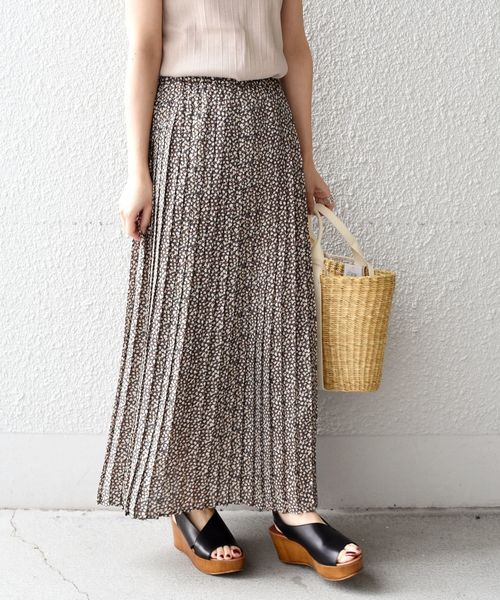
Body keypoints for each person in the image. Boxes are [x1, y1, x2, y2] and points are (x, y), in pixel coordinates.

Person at [96, 0, 363, 580]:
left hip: (270, 125)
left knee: (280, 316)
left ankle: (293, 506)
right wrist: (137, 171)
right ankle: (191, 500)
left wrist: (307, 159)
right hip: (187, 124)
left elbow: (295, 50)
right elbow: (144, 50)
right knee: (188, 321)